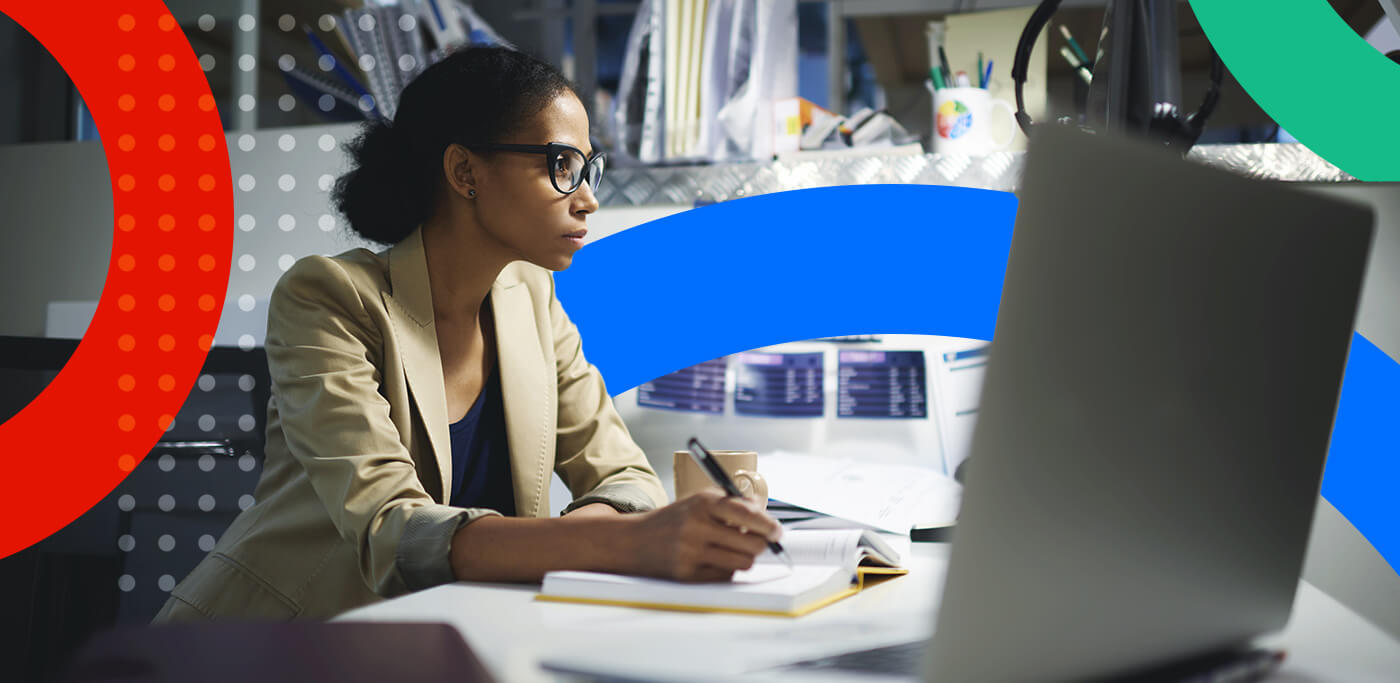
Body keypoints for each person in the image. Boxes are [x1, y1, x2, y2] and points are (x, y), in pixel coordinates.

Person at [153, 46, 780, 621]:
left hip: (441, 640)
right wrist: (620, 541)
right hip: (271, 644)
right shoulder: (329, 298)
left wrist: (599, 535)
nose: (587, 198)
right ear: (464, 171)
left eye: (589, 168)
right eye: (561, 165)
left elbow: (624, 475)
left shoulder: (531, 298)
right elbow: (393, 530)